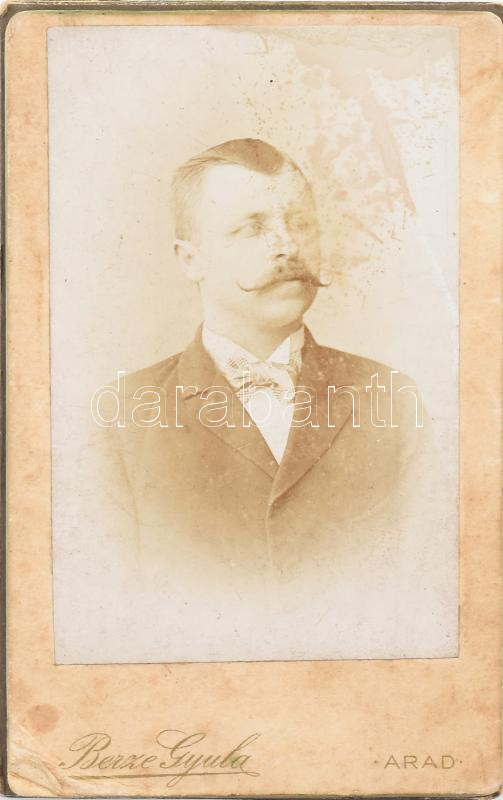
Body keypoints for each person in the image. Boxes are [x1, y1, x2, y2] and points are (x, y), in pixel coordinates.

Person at [90, 138, 448, 662]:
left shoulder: (389, 397)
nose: (287, 246)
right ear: (190, 259)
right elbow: (108, 624)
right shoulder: (121, 417)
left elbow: (430, 601)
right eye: (252, 228)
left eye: (300, 222)